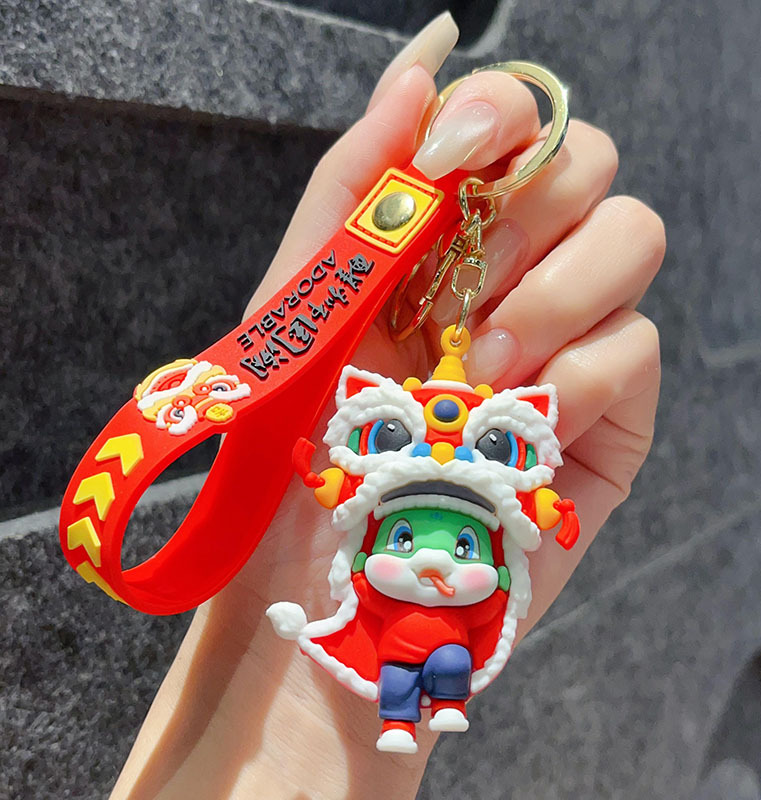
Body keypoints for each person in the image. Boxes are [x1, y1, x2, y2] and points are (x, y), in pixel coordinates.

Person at [111, 12, 665, 799]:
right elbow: (339, 487)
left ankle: (422, 706)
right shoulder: (375, 500)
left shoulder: (461, 533)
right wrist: (298, 450)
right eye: (406, 538)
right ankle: (409, 706)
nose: (434, 562)